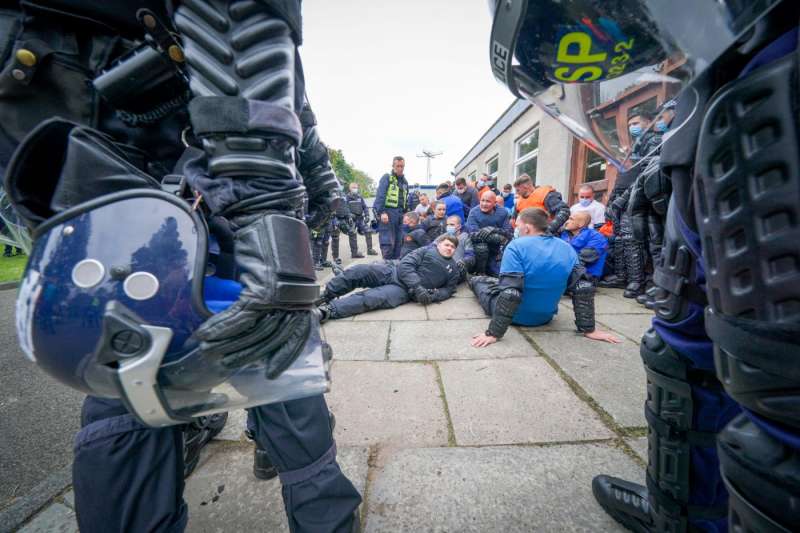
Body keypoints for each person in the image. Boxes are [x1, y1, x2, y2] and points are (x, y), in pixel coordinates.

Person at [3, 2, 362, 531]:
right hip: (127, 141)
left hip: (174, 136)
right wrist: (264, 194)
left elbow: (291, 97)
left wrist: (295, 185)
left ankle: (288, 477)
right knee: (152, 356)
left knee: (230, 342)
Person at [488, 2, 800, 532]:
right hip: (714, 116)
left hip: (767, 85)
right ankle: (681, 514)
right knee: (681, 342)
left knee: (778, 371)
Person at [469, 208, 619, 347]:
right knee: (500, 283)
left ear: (527, 227)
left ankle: (474, 281)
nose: (517, 229)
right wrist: (589, 330)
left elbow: (511, 293)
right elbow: (583, 287)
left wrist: (493, 334)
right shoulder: (566, 247)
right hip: (545, 318)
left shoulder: (516, 246)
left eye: (518, 225)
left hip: (516, 317)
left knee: (477, 281)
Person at [318, 234, 460, 320]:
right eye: (447, 244)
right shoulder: (425, 250)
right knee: (359, 271)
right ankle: (326, 295)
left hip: (402, 291)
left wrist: (433, 295)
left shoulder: (453, 270)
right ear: (439, 244)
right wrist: (417, 287)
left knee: (371, 298)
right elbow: (406, 265)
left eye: (453, 247)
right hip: (392, 272)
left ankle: (328, 311)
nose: (449, 248)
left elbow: (449, 290)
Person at [465, 190, 513, 275]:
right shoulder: (473, 212)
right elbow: (473, 235)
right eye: (482, 200)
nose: (484, 204)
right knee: (481, 247)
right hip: (479, 248)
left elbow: (509, 233)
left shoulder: (503, 212)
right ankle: (480, 272)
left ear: (495, 203)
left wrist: (493, 229)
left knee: (500, 274)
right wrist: (496, 236)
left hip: (496, 249)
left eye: (488, 201)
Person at [374, 156, 410, 259]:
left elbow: (405, 200)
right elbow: (380, 195)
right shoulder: (386, 178)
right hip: (388, 213)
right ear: (393, 166)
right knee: (387, 242)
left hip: (400, 215)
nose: (400, 168)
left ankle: (395, 267)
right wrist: (382, 212)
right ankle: (386, 266)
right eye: (398, 166)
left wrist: (406, 214)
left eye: (402, 166)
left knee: (400, 242)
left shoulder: (405, 182)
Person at [559, 212, 609, 280]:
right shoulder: (564, 233)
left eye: (571, 219)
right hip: (565, 269)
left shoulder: (596, 237)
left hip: (585, 276)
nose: (567, 222)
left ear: (581, 224)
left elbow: (583, 258)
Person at [346, 182, 378, 256]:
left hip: (360, 219)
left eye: (356, 187)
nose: (355, 189)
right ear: (350, 188)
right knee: (352, 233)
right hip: (352, 219)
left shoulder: (360, 197)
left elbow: (365, 207)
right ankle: (354, 253)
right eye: (353, 187)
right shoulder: (347, 197)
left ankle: (370, 250)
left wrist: (367, 215)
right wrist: (349, 216)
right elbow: (345, 208)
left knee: (368, 231)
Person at [330, 199, 362, 264]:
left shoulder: (342, 196)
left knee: (352, 232)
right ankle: (335, 257)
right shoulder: (329, 194)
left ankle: (354, 253)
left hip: (343, 219)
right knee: (335, 236)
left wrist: (349, 216)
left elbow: (345, 208)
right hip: (333, 219)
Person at [446, 215, 475, 282]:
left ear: (459, 226)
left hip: (457, 269)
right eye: (447, 225)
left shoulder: (464, 237)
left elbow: (470, 255)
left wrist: (463, 261)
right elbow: (431, 248)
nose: (448, 227)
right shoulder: (444, 236)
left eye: (452, 224)